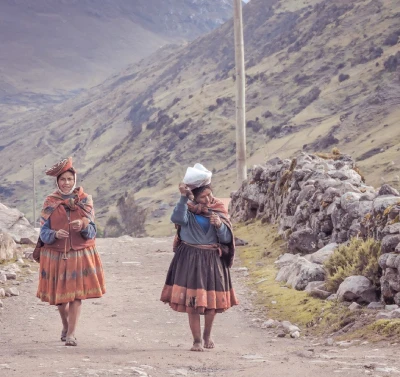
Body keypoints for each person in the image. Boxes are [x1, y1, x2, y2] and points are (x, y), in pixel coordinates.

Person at [160, 181, 239, 352]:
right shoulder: (187, 210)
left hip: (212, 260)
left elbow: (226, 239)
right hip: (190, 259)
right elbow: (176, 219)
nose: (209, 198)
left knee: (211, 302)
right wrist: (182, 197)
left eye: (210, 194)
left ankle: (207, 336)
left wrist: (219, 225)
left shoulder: (218, 210)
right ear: (194, 198)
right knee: (192, 302)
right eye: (203, 196)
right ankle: (196, 341)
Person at [36, 157, 106, 346]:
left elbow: (93, 231)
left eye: (69, 179)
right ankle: (66, 325)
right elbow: (43, 232)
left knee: (76, 296)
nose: (66, 183)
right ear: (57, 181)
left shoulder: (85, 200)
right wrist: (55, 234)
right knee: (61, 300)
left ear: (74, 180)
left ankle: (72, 334)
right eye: (62, 179)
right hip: (56, 254)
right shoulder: (50, 201)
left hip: (79, 254)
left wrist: (83, 225)